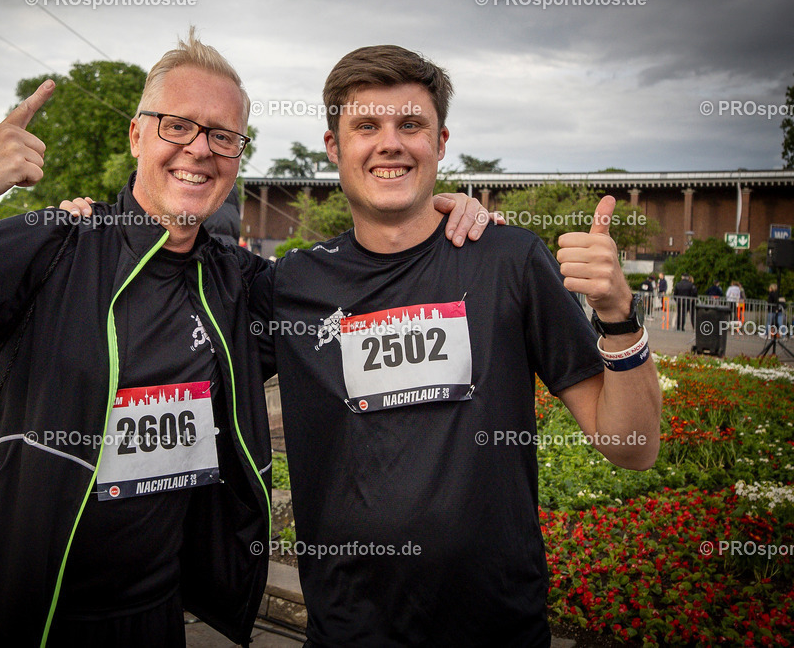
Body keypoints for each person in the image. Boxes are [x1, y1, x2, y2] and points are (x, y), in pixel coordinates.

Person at [0, 31, 493, 647]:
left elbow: (363, 284)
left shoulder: (240, 284)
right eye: (178, 125)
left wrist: (434, 221)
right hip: (4, 611)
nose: (199, 147)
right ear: (138, 135)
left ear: (237, 156)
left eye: (223, 135)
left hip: (151, 618)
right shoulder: (50, 244)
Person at [248, 45, 661, 646]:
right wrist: (68, 237)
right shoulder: (289, 285)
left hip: (499, 628)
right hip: (348, 631)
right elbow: (149, 348)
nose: (390, 143)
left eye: (411, 125)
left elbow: (634, 449)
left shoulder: (510, 260)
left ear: (440, 143)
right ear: (334, 147)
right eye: (367, 125)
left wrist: (618, 316)